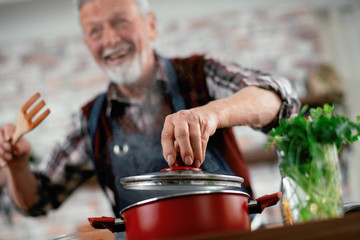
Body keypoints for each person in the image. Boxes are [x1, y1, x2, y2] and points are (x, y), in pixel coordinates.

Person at [0, 0, 300, 238]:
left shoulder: (200, 75)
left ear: (151, 25)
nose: (110, 39)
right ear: (88, 44)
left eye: (120, 21)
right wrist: (16, 166)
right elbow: (37, 201)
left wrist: (211, 113)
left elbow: (280, 99)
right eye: (95, 31)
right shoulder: (90, 120)